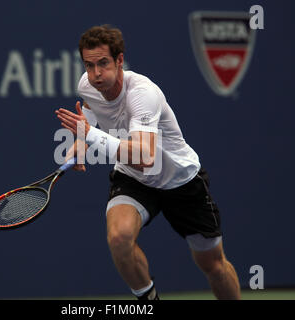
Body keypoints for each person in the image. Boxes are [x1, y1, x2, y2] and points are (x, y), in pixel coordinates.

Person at [55, 25, 241, 300]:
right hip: (134, 180)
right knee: (119, 239)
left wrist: (90, 135)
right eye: (89, 65)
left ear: (120, 61)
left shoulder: (143, 93)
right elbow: (94, 114)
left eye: (103, 63)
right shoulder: (87, 85)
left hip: (181, 180)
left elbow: (145, 156)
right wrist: (82, 143)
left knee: (212, 264)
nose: (95, 74)